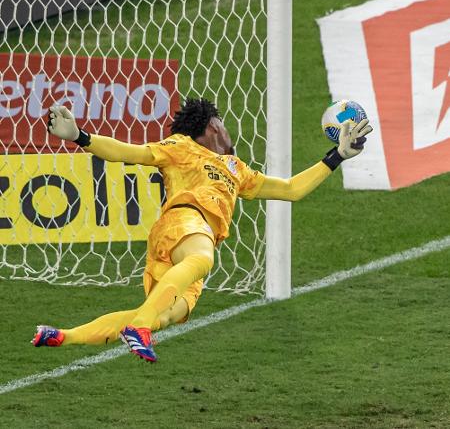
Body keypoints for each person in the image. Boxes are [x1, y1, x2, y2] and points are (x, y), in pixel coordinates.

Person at [32, 97, 372, 362]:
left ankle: (63, 335)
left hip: (181, 257)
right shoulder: (182, 147)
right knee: (202, 259)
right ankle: (138, 329)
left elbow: (290, 189)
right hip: (183, 223)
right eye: (223, 124)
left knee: (164, 314)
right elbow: (129, 153)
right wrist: (79, 136)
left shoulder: (237, 169)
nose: (228, 131)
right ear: (212, 127)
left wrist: (338, 155)